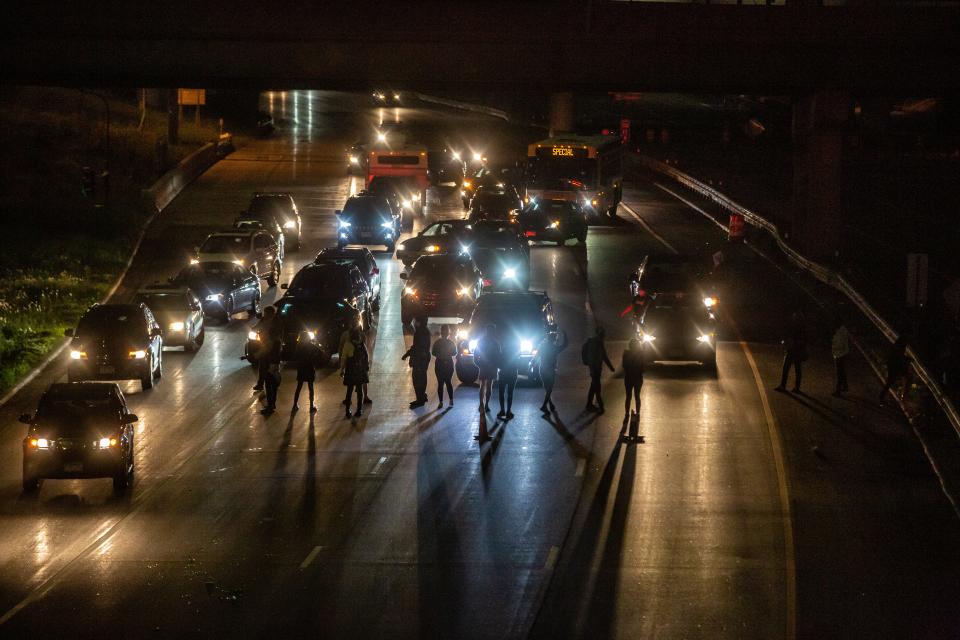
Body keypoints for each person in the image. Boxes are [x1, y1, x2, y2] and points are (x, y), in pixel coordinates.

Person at [582, 326, 615, 412]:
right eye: (604, 334)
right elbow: (604, 356)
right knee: (597, 387)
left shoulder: (591, 341)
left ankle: (589, 404)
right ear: (602, 334)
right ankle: (601, 406)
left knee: (593, 386)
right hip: (595, 369)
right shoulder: (599, 343)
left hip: (592, 368)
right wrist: (611, 367)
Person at [536, 329, 568, 415]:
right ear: (554, 339)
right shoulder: (554, 348)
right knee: (549, 389)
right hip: (550, 369)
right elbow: (565, 345)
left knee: (547, 389)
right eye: (555, 338)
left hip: (542, 369)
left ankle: (550, 404)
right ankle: (544, 406)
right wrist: (565, 334)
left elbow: (537, 355)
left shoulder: (542, 346)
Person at [401, 317, 431, 408]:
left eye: (415, 320)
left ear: (419, 322)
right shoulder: (426, 331)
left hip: (419, 359)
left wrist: (407, 354)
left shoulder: (419, 332)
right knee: (422, 378)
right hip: (424, 358)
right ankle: (422, 396)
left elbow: (416, 347)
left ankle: (420, 399)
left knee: (417, 379)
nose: (413, 322)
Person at [341, 327, 369, 418]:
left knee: (349, 391)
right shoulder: (361, 344)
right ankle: (359, 410)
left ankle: (347, 411)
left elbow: (344, 359)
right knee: (359, 391)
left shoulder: (348, 345)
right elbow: (366, 356)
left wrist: (342, 370)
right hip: (360, 370)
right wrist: (366, 367)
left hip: (351, 370)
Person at [775, 311, 806, 392]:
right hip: (791, 349)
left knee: (796, 369)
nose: (794, 318)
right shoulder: (793, 326)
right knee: (788, 368)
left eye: (795, 317)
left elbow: (804, 340)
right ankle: (785, 386)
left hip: (796, 350)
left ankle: (794, 387)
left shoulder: (802, 328)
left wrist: (794, 342)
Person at [474, 324, 501, 414]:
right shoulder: (496, 343)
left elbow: (476, 355)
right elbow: (498, 356)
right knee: (488, 385)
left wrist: (479, 364)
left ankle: (483, 404)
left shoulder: (482, 341)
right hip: (490, 366)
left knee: (483, 385)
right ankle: (485, 405)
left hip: (485, 366)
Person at [252, 306, 280, 391]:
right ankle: (260, 384)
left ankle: (274, 383)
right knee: (262, 367)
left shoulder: (277, 322)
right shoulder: (263, 320)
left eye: (267, 313)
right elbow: (256, 327)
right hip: (264, 345)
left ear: (271, 313)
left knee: (272, 368)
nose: (265, 315)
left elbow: (277, 335)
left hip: (273, 347)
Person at [879, 335, 911, 404]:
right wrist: (907, 359)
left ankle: (882, 396)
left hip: (894, 364)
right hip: (895, 364)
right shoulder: (901, 343)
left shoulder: (900, 342)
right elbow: (898, 354)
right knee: (892, 381)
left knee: (891, 381)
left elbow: (898, 354)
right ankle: (903, 398)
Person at [431, 325, 457, 408]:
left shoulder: (437, 342)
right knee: (448, 382)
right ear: (448, 333)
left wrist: (440, 354)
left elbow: (433, 353)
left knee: (440, 383)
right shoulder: (451, 343)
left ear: (441, 332)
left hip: (439, 364)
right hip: (448, 364)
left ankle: (441, 402)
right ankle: (451, 400)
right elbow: (454, 353)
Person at [292, 335, 319, 413]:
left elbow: (295, 356)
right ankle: (311, 406)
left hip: (301, 368)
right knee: (310, 387)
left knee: (299, 387)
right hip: (310, 368)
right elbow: (319, 353)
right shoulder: (312, 346)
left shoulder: (298, 346)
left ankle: (294, 404)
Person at [622, 337, 645, 420]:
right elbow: (643, 367)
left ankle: (627, 413)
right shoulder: (641, 354)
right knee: (637, 396)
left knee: (628, 396)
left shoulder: (626, 354)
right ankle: (638, 413)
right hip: (638, 378)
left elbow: (624, 366)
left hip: (628, 377)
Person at [497, 338, 519, 420]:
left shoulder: (502, 353)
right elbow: (517, 364)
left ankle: (502, 410)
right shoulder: (515, 352)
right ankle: (508, 411)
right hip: (512, 374)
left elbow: (498, 364)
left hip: (503, 374)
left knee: (501, 393)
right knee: (510, 393)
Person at [260, 334, 282, 416]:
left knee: (269, 389)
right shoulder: (278, 347)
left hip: (270, 370)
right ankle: (272, 404)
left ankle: (270, 406)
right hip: (275, 370)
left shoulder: (271, 348)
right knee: (274, 388)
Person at [831, 320, 850, 397]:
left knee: (839, 372)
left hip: (839, 354)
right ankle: (845, 386)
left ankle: (838, 390)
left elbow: (840, 344)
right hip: (841, 353)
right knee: (842, 371)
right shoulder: (842, 331)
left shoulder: (840, 332)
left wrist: (834, 345)